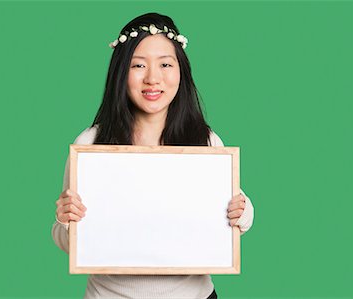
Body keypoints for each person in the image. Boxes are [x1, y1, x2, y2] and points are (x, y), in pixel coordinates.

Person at [52, 12, 254, 299]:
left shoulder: (205, 142)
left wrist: (243, 213)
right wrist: (65, 221)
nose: (153, 78)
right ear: (121, 73)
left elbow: (235, 215)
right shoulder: (91, 143)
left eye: (165, 64)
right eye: (138, 65)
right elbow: (67, 238)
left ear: (180, 71)